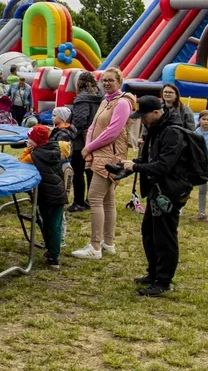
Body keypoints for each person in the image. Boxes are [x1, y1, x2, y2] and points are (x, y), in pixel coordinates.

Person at [120, 95, 193, 297]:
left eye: (144, 115)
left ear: (156, 112)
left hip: (170, 190)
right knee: (150, 232)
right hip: (157, 188)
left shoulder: (172, 133)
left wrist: (136, 166)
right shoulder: (156, 129)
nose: (141, 119)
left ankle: (164, 281)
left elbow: (163, 165)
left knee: (165, 237)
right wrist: (129, 165)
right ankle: (153, 273)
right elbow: (151, 159)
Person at [72, 68, 133, 260]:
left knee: (95, 198)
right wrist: (89, 144)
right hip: (100, 154)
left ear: (119, 81)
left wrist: (89, 147)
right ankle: (109, 242)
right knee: (108, 200)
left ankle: (95, 246)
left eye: (110, 80)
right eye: (104, 80)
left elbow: (112, 132)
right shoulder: (106, 100)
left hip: (109, 157)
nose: (106, 83)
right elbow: (93, 125)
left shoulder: (122, 103)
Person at [22, 124, 66, 269]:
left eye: (30, 139)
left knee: (50, 225)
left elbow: (20, 163)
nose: (28, 141)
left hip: (47, 195)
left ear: (37, 141)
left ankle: (54, 256)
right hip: (58, 193)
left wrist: (28, 149)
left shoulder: (33, 156)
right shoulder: (54, 149)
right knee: (54, 224)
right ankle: (52, 251)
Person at [69, 74, 102, 212]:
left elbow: (80, 120)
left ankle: (79, 202)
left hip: (81, 142)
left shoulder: (82, 99)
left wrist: (70, 133)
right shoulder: (101, 98)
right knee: (90, 172)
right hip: (96, 139)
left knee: (78, 172)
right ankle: (91, 200)